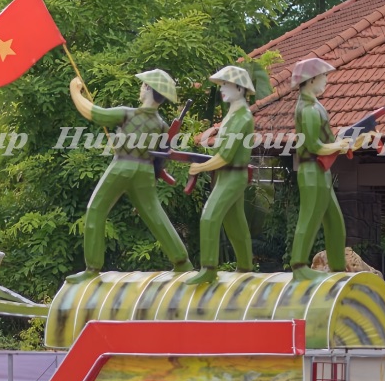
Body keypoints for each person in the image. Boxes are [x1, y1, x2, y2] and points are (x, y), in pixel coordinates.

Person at [67, 69, 194, 284]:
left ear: (148, 90)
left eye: (143, 85)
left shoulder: (127, 114)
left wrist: (75, 91)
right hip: (144, 172)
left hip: (122, 166)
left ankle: (92, 268)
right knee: (155, 215)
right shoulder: (162, 125)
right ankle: (182, 262)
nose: (140, 88)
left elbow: (93, 113)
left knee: (96, 209)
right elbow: (161, 157)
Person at [186, 65, 255, 286]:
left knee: (209, 216)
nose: (222, 89)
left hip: (233, 174)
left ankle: (208, 268)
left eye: (226, 84)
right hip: (227, 174)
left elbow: (225, 156)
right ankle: (245, 266)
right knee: (235, 223)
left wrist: (200, 167)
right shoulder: (232, 115)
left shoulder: (242, 117)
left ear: (240, 88)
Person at [289, 58, 350, 281]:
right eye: (323, 76)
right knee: (310, 218)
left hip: (321, 172)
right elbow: (314, 146)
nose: (326, 79)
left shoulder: (315, 106)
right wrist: (339, 146)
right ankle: (298, 265)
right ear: (312, 79)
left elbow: (328, 141)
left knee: (335, 221)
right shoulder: (308, 109)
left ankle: (337, 265)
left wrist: (341, 143)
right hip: (312, 171)